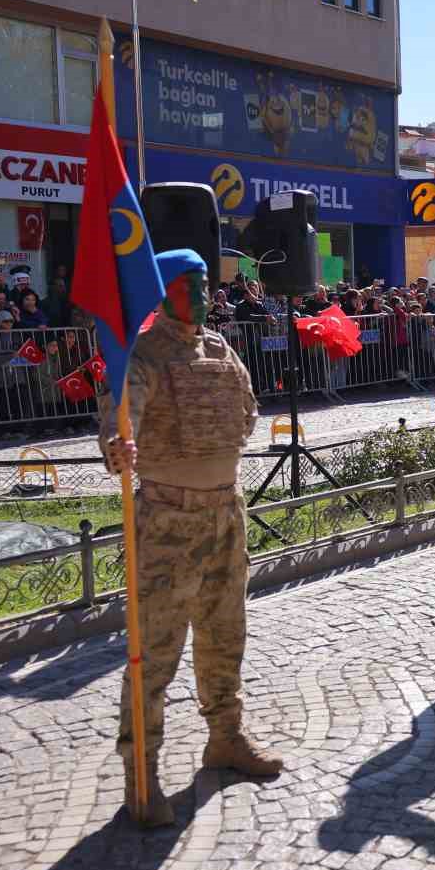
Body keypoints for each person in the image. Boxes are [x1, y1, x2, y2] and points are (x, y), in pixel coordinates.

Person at [99, 249, 282, 829]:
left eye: (206, 284)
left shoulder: (220, 348)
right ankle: (142, 774)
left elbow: (248, 412)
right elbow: (119, 416)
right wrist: (118, 446)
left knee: (225, 634)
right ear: (164, 291)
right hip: (169, 522)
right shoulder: (146, 354)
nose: (203, 295)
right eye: (190, 285)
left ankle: (224, 738)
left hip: (224, 513)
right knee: (155, 652)